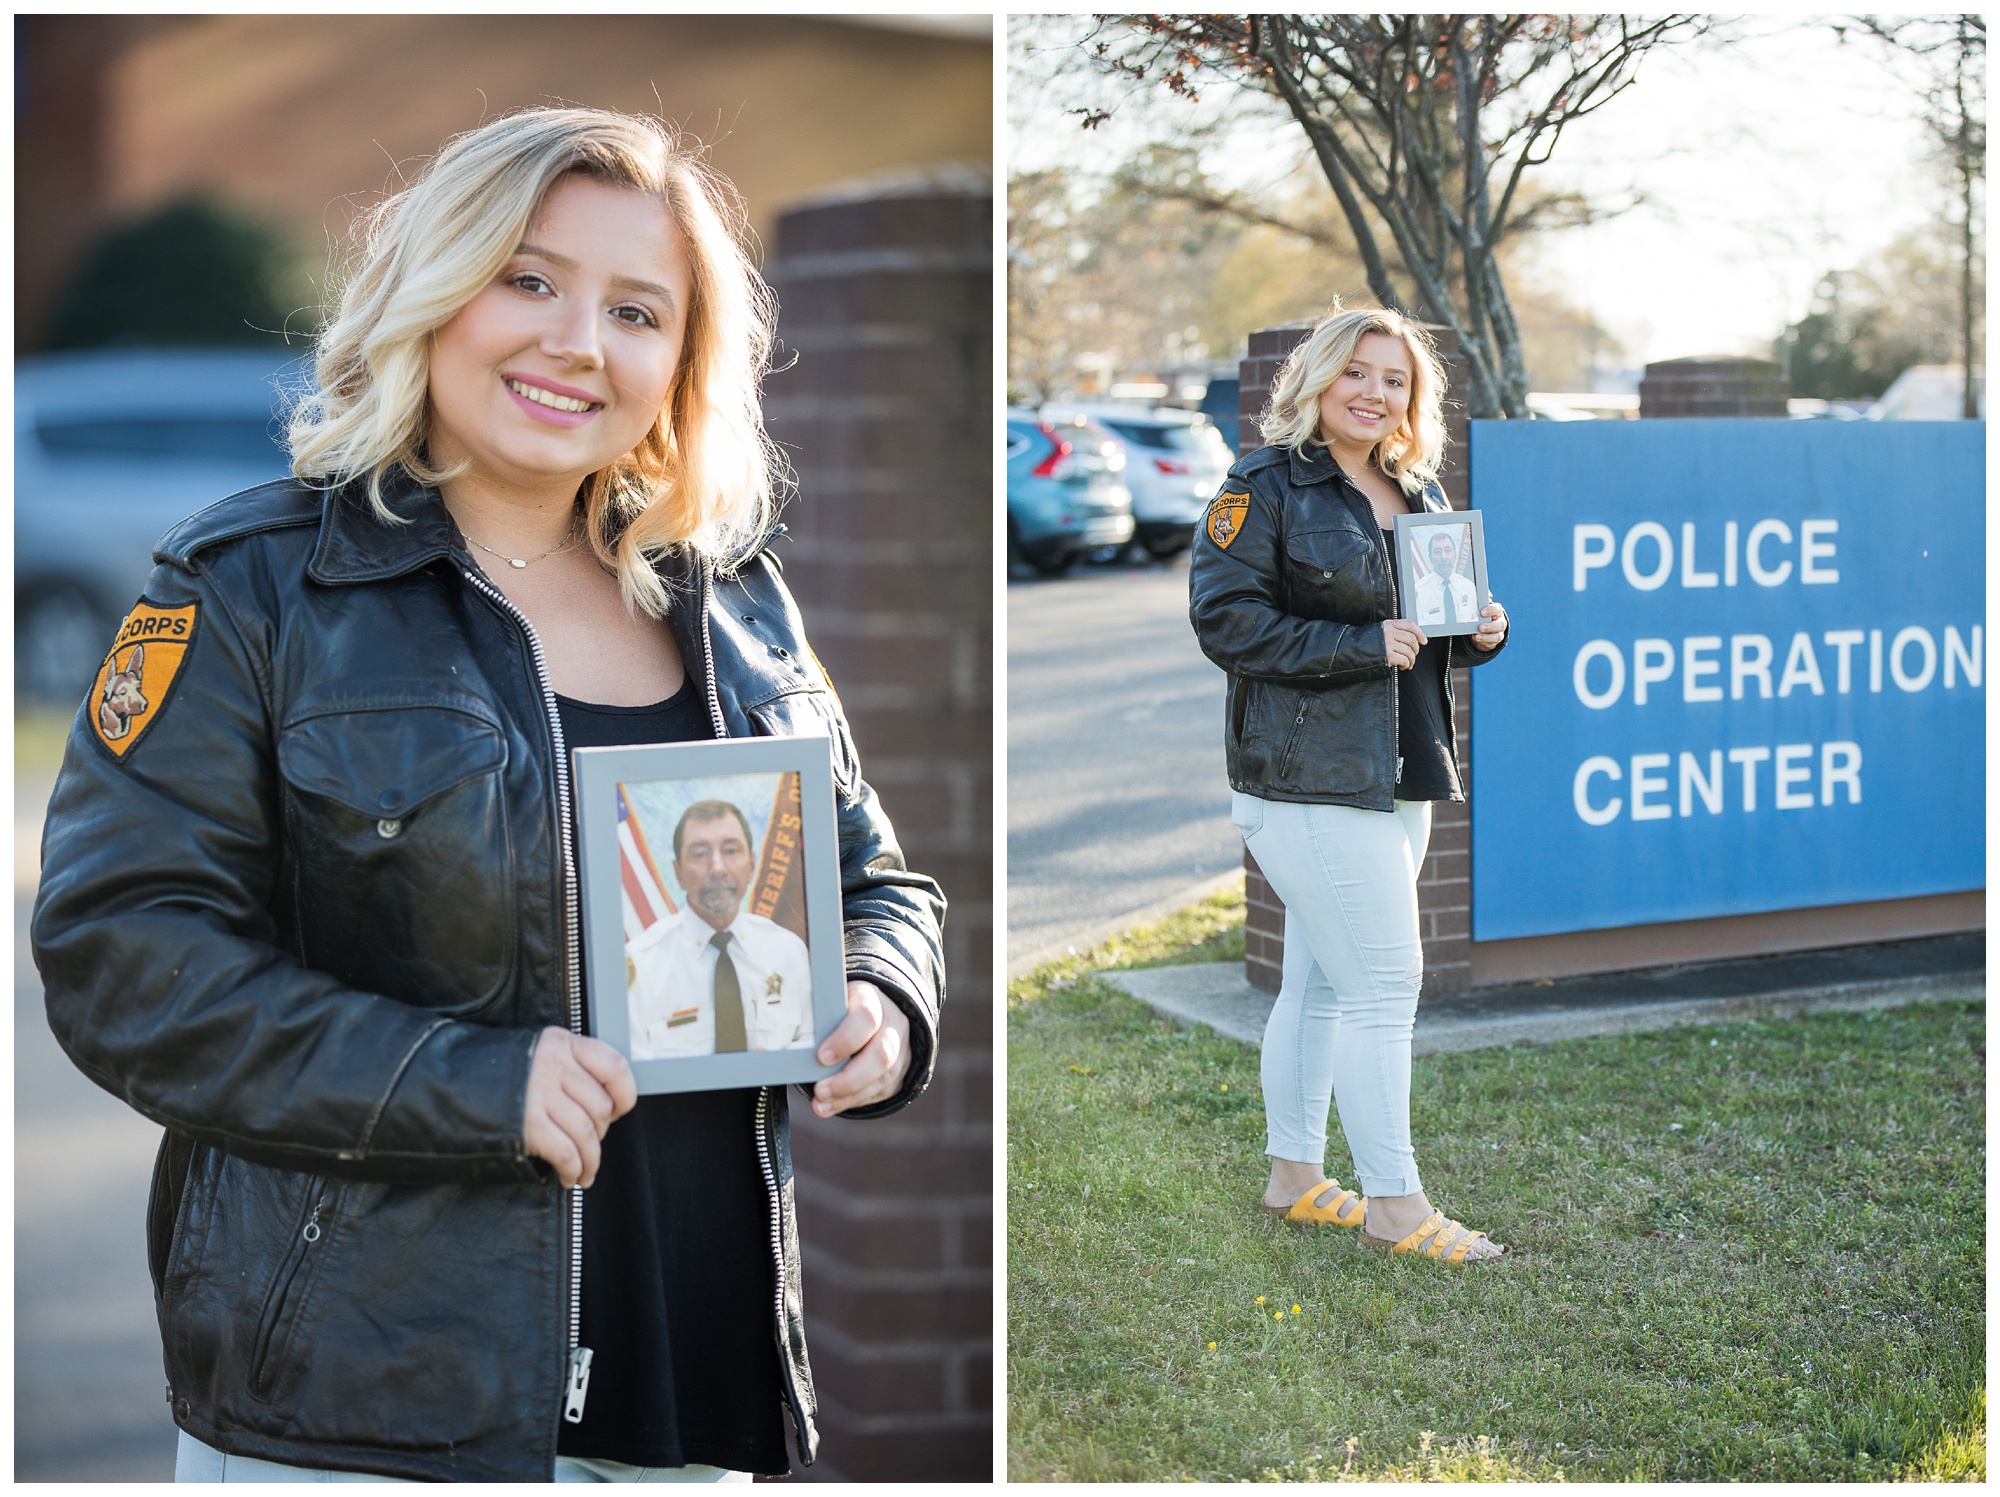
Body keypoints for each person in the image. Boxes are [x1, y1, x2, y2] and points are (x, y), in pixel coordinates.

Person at [32, 108, 945, 1481]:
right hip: (372, 1404)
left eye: (637, 309)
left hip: (692, 1395)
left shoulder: (732, 603)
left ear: (682, 362)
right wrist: (466, 1083)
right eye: (530, 279)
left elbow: (875, 879)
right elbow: (123, 959)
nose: (578, 341)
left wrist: (882, 992)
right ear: (433, 287)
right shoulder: (251, 590)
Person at [1188, 303, 1510, 1264]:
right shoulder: (1262, 485)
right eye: (1357, 373)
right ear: (1320, 381)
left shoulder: (1417, 485)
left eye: (1396, 379)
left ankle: (1295, 1178)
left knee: (1324, 983)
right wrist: (1356, 645)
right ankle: (1397, 1206)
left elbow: (1431, 629)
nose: (1376, 393)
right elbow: (1225, 622)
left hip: (1397, 766)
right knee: (1385, 983)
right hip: (1303, 778)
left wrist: (1482, 631)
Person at [627, 799, 814, 1058]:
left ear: (751, 865)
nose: (717, 868)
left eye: (730, 850)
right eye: (700, 854)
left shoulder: (789, 952)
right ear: (678, 872)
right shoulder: (642, 964)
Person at [1411, 526, 1477, 629]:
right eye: (1437, 552)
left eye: (1448, 550)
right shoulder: (1418, 591)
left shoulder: (1468, 587)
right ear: (1430, 558)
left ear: (1455, 555)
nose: (1444, 557)